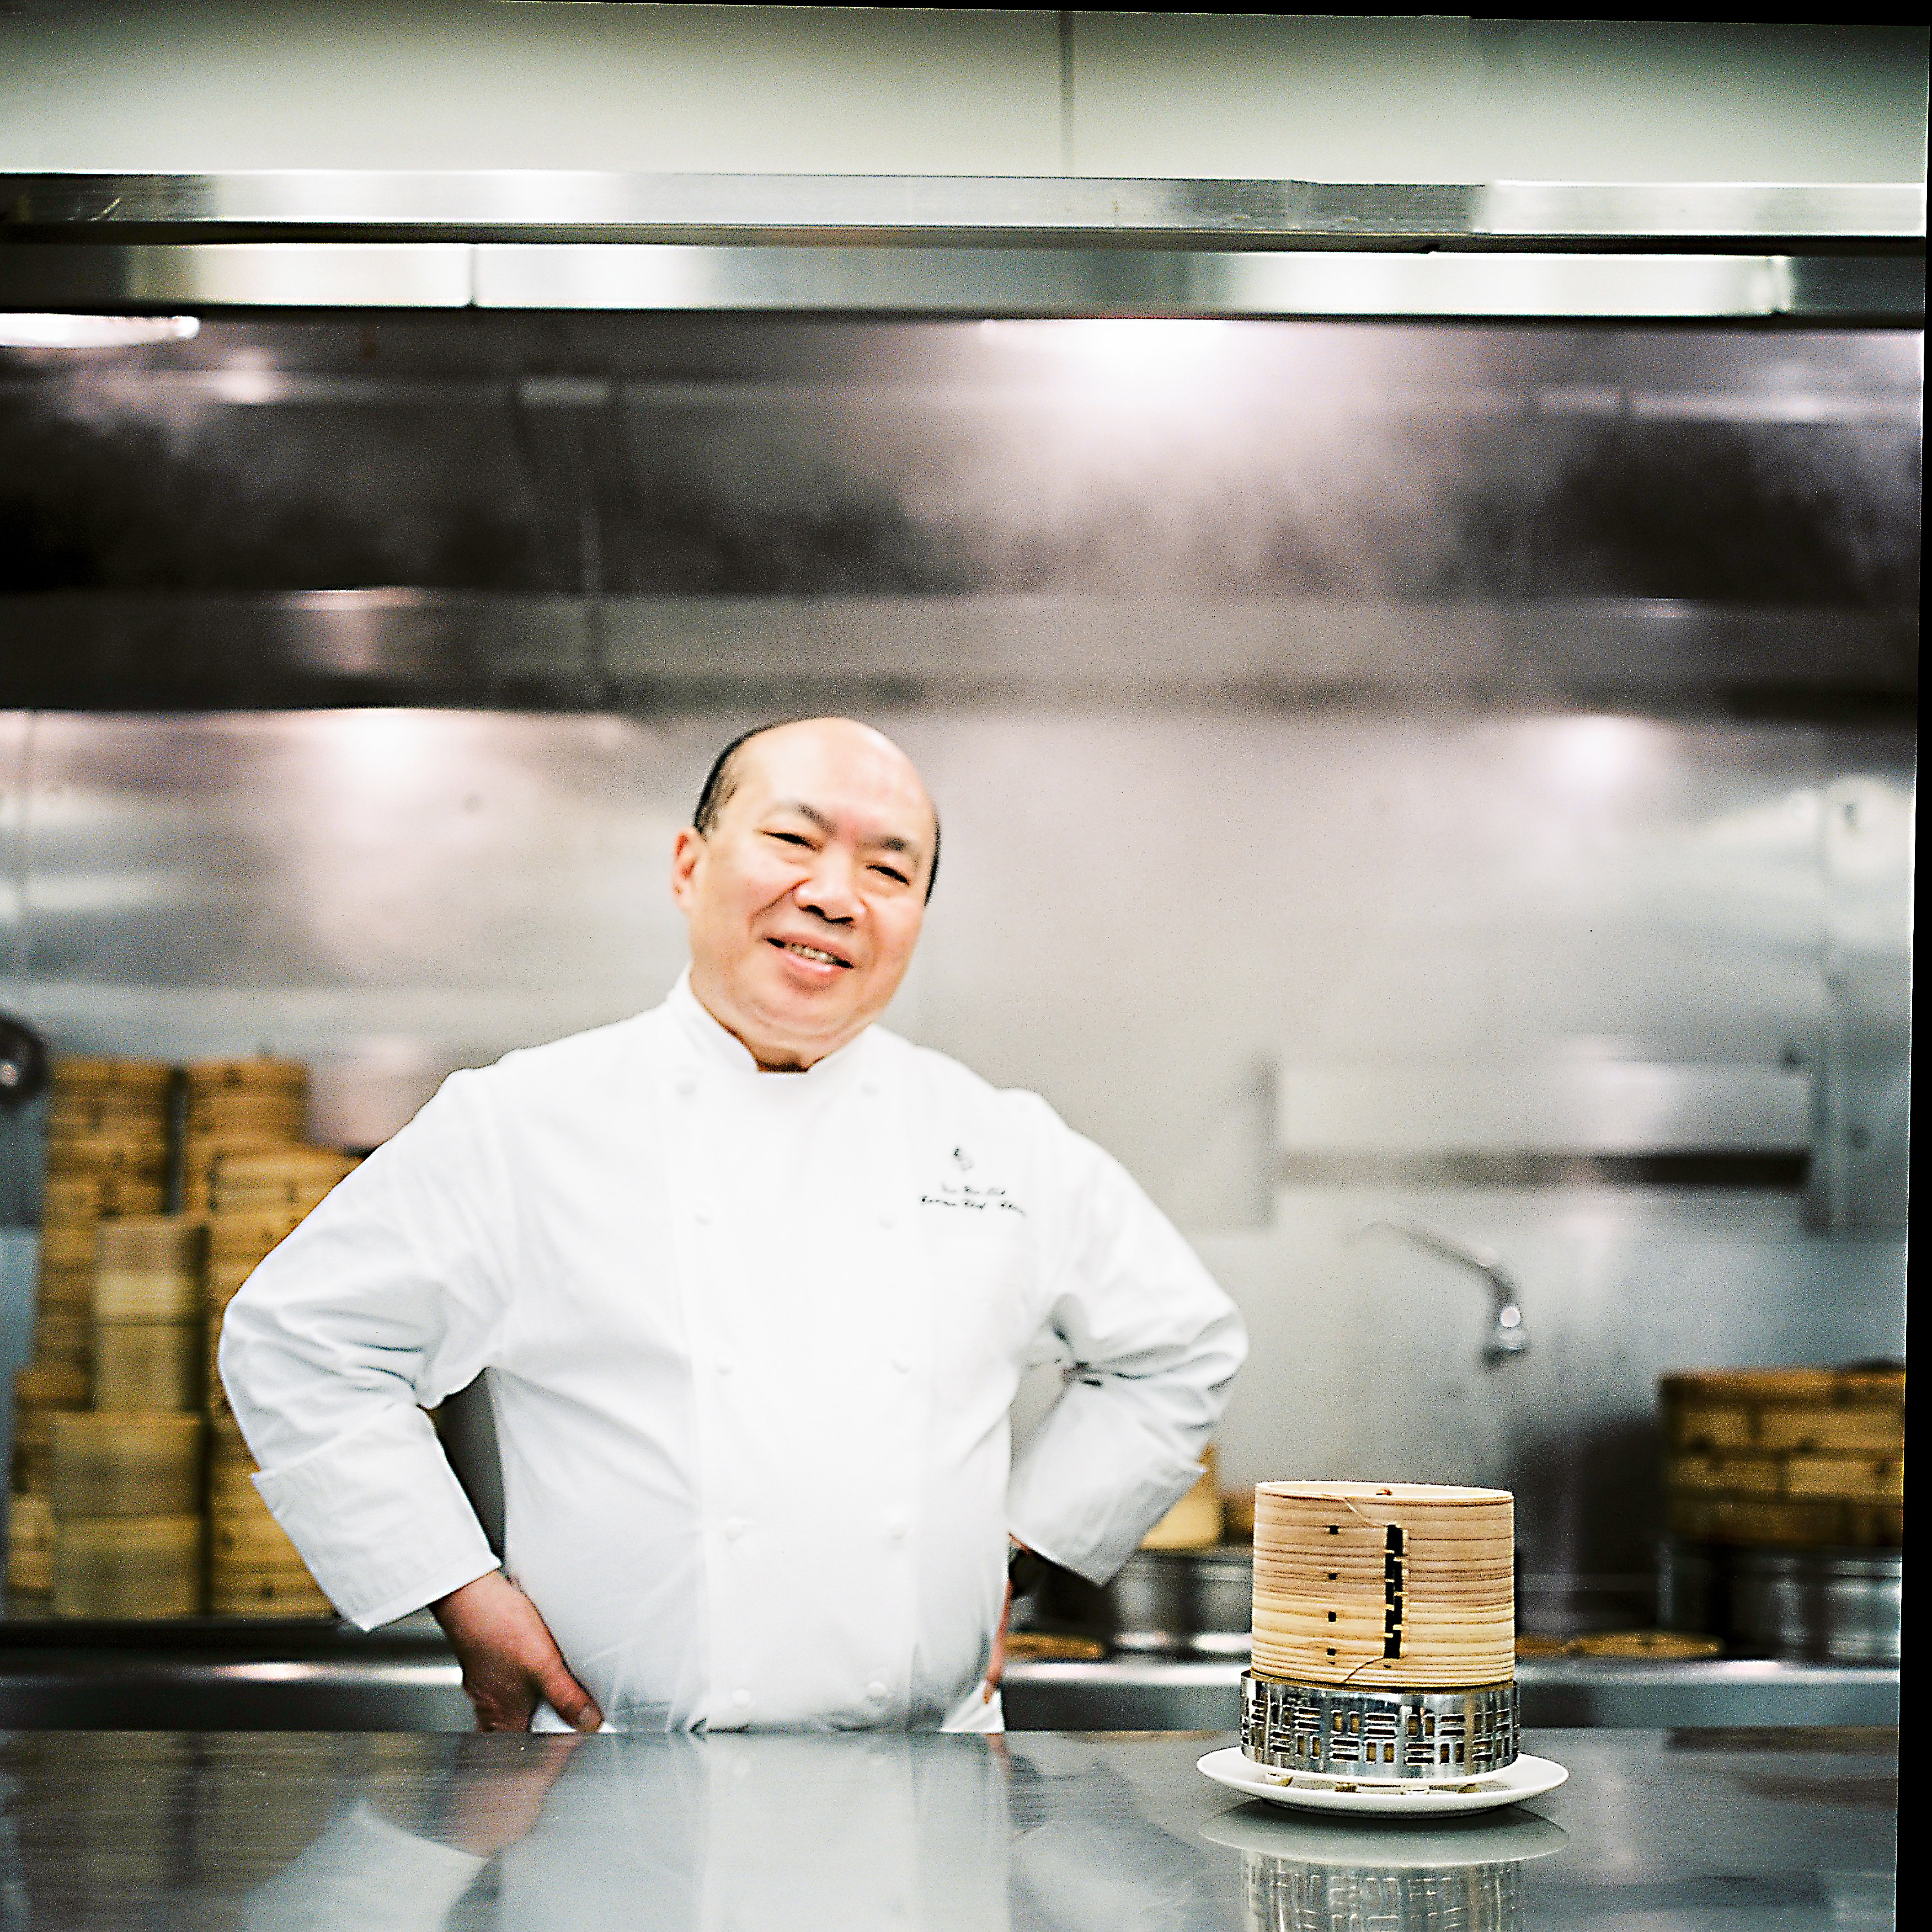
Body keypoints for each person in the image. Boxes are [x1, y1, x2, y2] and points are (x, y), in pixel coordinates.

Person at [220, 717, 1246, 1733]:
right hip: (615, 1798)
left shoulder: (999, 1143)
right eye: (793, 841)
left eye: (890, 872)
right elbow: (300, 1339)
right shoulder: (526, 1123)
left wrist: (1015, 1553)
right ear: (687, 865)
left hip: (929, 1803)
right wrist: (455, 1587)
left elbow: (1180, 1346)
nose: (836, 896)